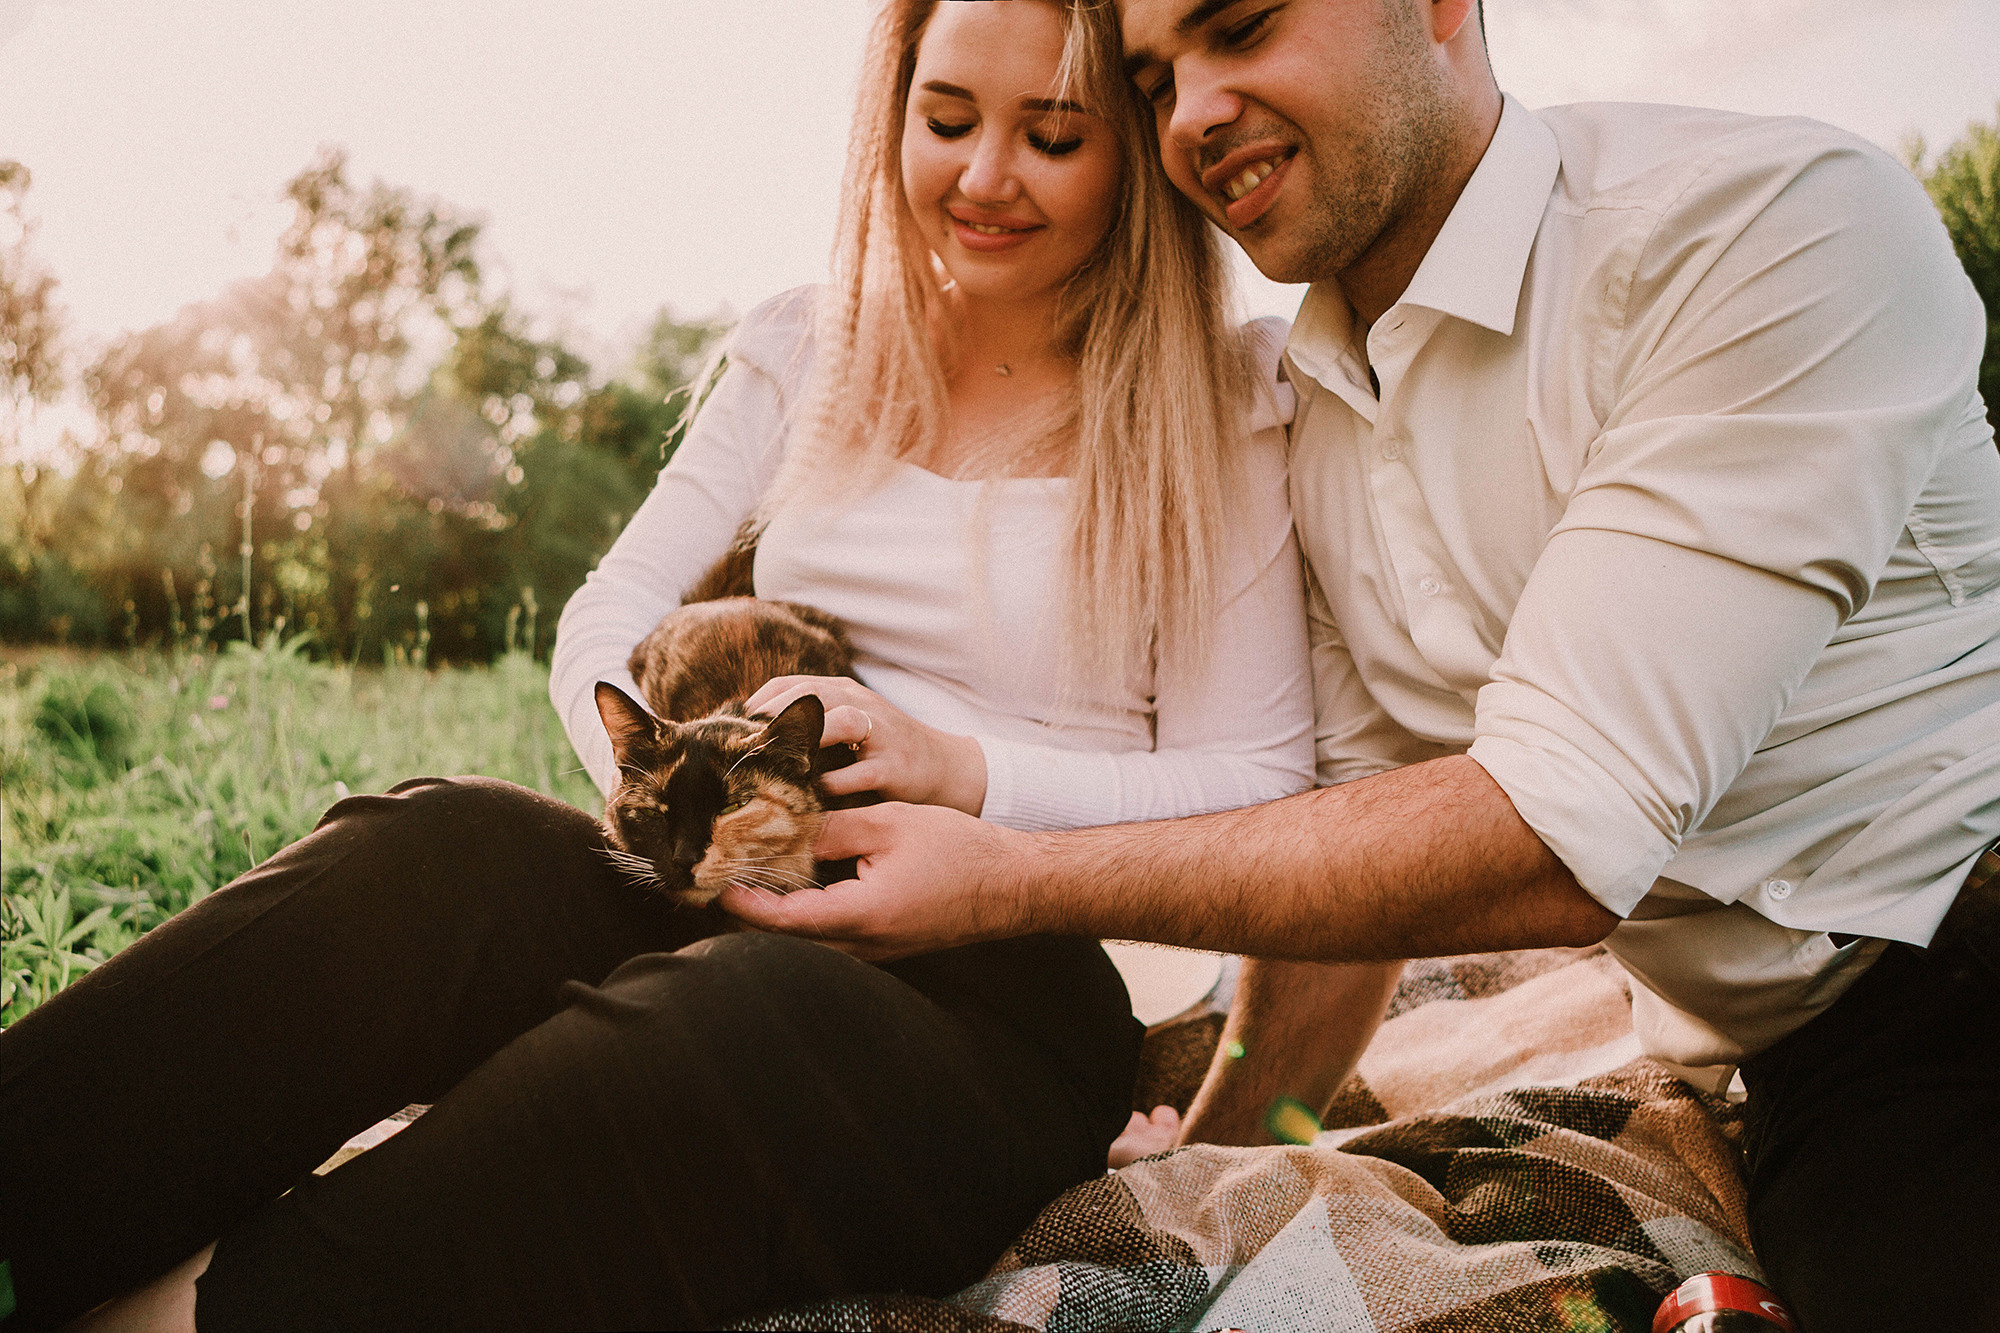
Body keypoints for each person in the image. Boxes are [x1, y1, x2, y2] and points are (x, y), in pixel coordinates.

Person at [0, 3, 1317, 1329]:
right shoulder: (811, 343)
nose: (982, 176)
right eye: (948, 119)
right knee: (432, 848)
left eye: (1051, 134)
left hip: (995, 992)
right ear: (894, 114)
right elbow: (606, 620)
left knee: (747, 1017)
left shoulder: (1223, 404)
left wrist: (967, 774)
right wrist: (686, 802)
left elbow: (1262, 788)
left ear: (1134, 154)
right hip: (727, 880)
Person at [724, 0, 2000, 1327]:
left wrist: (1005, 877)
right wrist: (1227, 1140)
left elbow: (1555, 836)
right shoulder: (1311, 413)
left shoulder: (1760, 225)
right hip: (1811, 1062)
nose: (1194, 116)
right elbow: (1351, 867)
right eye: (1158, 80)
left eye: (1246, 25)